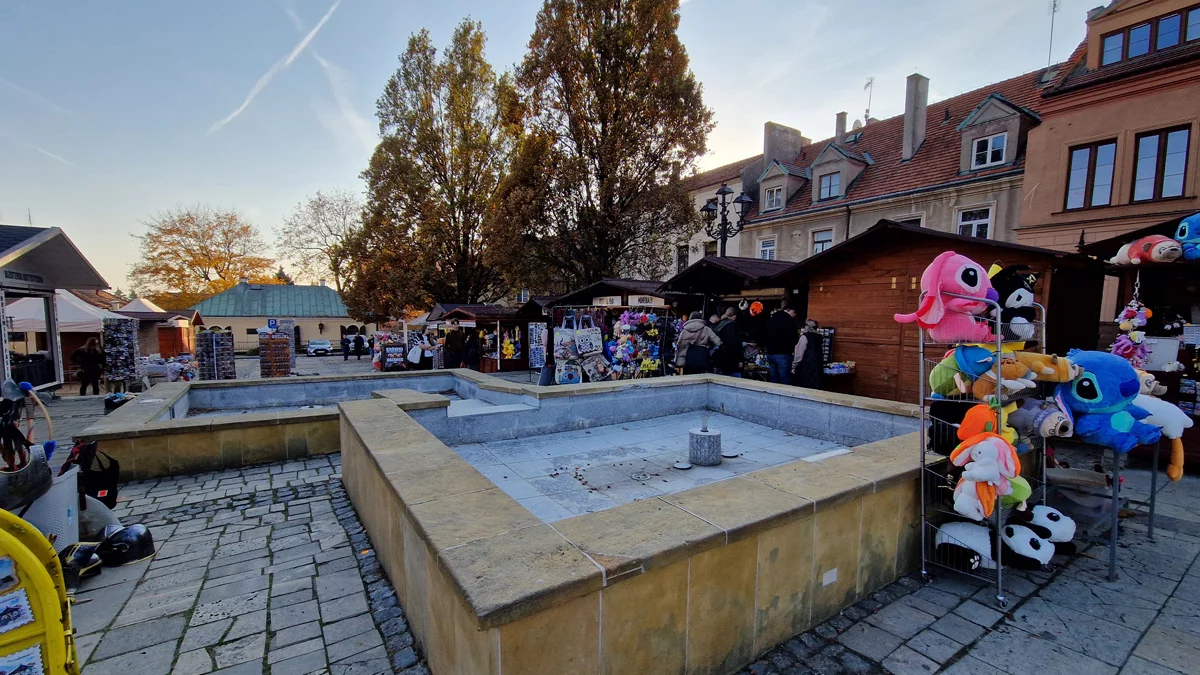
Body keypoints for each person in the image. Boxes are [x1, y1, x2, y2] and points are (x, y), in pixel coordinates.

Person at [762, 302, 799, 384]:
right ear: (790, 311)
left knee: (774, 380)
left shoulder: (770, 319)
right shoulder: (789, 320)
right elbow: (794, 338)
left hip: (770, 353)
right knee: (785, 381)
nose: (795, 315)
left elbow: (764, 334)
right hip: (783, 353)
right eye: (794, 312)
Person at [675, 311, 721, 375]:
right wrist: (711, 351)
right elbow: (718, 342)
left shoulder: (685, 330)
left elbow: (679, 345)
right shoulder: (706, 329)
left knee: (687, 379)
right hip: (702, 357)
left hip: (688, 358)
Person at [793, 319, 825, 390]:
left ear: (807, 326)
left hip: (805, 366)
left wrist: (794, 366)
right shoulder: (819, 337)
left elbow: (799, 354)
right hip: (817, 366)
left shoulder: (804, 337)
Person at [712, 307, 744, 377]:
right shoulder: (732, 326)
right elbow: (735, 344)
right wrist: (739, 360)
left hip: (719, 359)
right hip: (732, 360)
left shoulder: (719, 324)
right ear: (734, 316)